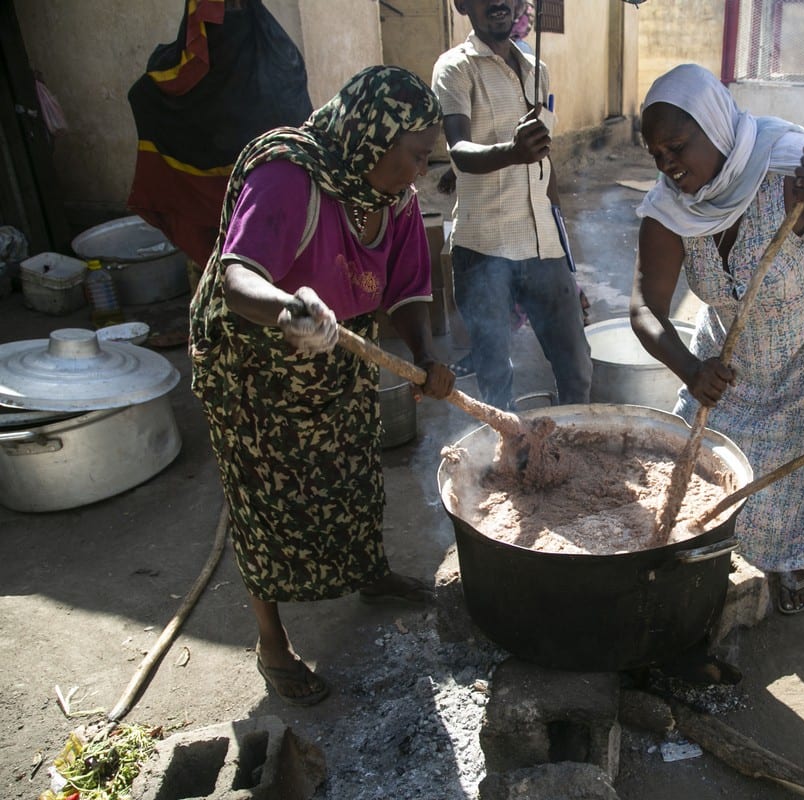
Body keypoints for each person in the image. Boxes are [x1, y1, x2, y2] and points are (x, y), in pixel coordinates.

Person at [188, 66, 455, 706]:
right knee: (267, 501)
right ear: (373, 134)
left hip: (336, 352)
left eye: (427, 158)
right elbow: (237, 277)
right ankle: (271, 644)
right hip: (254, 362)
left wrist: (425, 356)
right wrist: (289, 310)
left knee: (352, 473)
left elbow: (408, 289)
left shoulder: (396, 200)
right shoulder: (288, 176)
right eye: (414, 156)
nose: (420, 172)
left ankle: (369, 573)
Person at [630, 64, 804, 615]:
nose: (669, 166)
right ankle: (714, 553)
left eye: (678, 147)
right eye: (657, 156)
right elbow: (644, 307)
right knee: (702, 453)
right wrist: (689, 368)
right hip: (729, 350)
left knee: (794, 464)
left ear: (716, 128)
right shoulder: (670, 208)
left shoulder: (787, 168)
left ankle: (788, 561)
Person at [432, 0, 592, 409]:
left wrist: (565, 249)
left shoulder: (537, 69)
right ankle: (505, 461)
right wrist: (511, 151)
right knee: (495, 379)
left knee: (576, 368)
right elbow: (460, 151)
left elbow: (543, 161)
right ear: (462, 4)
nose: (499, 3)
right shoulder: (455, 67)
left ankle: (569, 453)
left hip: (544, 247)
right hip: (484, 248)